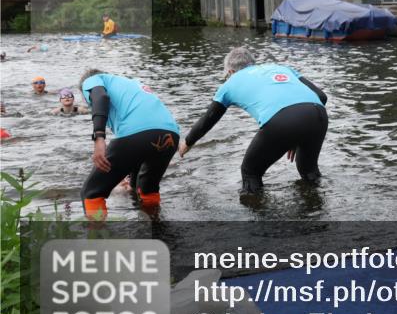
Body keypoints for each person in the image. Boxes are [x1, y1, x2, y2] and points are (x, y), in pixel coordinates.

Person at [179, 47, 328, 200]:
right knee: (309, 171)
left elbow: (207, 120)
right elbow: (322, 96)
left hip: (284, 122)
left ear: (230, 72)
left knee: (250, 172)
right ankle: (317, 209)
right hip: (318, 114)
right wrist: (295, 136)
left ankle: (257, 213)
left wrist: (187, 143)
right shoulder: (280, 68)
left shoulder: (231, 83)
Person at [79, 70, 180, 218]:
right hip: (171, 134)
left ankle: (98, 232)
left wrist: (99, 137)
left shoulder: (92, 80)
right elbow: (139, 144)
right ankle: (156, 225)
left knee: (91, 193)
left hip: (138, 133)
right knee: (147, 189)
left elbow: (101, 97)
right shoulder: (132, 84)